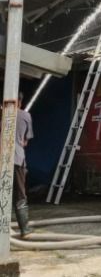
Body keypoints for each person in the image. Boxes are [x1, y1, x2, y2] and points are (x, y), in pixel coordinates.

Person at [14, 92, 33, 238]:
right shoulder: (25, 116)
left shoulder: (3, 115)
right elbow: (26, 141)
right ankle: (24, 230)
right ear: (20, 101)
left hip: (3, 157)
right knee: (20, 193)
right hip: (17, 158)